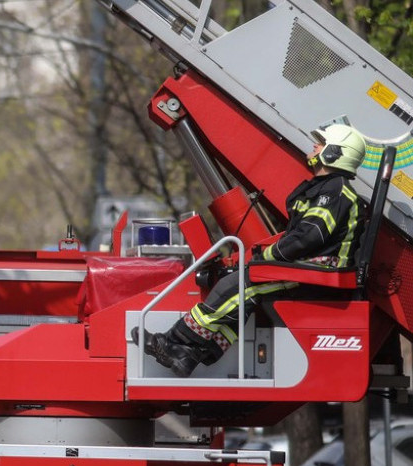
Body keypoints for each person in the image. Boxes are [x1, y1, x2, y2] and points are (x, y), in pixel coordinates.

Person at [145, 123, 367, 377]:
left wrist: (268, 258)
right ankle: (194, 356)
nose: (315, 146)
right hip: (312, 271)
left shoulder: (336, 191)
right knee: (245, 297)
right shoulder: (327, 189)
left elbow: (309, 237)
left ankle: (176, 341)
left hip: (320, 274)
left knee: (240, 285)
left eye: (322, 143)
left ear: (336, 152)